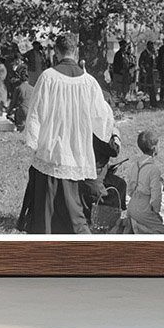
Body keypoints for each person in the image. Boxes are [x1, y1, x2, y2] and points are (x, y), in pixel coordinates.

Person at [17, 33, 115, 234]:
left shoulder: (47, 77)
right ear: (75, 51)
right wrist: (107, 136)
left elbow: (36, 112)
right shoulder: (89, 82)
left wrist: (33, 141)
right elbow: (103, 116)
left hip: (51, 149)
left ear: (57, 52)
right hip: (77, 149)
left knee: (47, 208)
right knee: (74, 209)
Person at [122, 130, 164, 234]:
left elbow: (130, 189)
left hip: (132, 205)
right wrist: (156, 211)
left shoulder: (134, 165)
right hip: (144, 208)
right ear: (154, 148)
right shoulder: (153, 169)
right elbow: (156, 195)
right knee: (162, 233)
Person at [138, 40, 158, 108]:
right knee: (144, 89)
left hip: (150, 73)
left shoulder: (152, 54)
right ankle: (143, 104)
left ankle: (153, 103)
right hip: (145, 74)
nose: (152, 47)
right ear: (148, 46)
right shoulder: (144, 54)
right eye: (151, 46)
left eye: (153, 46)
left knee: (152, 88)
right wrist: (143, 70)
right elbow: (140, 63)